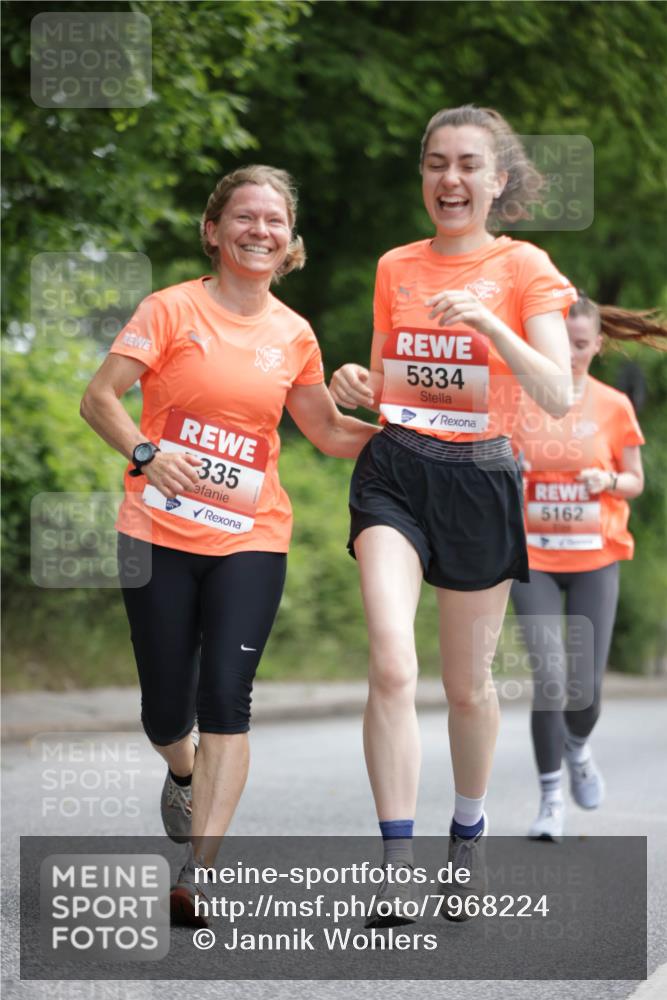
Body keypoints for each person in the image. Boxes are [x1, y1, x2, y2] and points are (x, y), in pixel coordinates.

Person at [81, 164, 377, 926]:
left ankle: (198, 874)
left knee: (226, 700)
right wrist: (147, 453)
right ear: (213, 230)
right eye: (244, 217)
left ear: (290, 241)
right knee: (163, 710)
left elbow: (323, 431)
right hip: (157, 529)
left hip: (252, 535)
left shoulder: (294, 333)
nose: (259, 231)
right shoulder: (170, 309)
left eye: (274, 221)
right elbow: (100, 398)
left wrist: (409, 434)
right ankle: (180, 773)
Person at [330, 104, 577, 925]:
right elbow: (384, 384)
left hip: (480, 478)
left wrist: (490, 325)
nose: (450, 179)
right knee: (392, 664)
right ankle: (396, 866)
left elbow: (557, 390)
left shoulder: (524, 266)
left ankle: (465, 831)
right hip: (395, 472)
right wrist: (353, 389)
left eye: (468, 165)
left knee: (467, 688)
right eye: (437, 163)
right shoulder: (395, 264)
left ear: (496, 181)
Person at [510, 293, 667, 841]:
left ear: (597, 346)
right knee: (550, 681)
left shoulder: (613, 405)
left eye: (580, 344)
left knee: (586, 692)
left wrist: (608, 483)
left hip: (596, 556)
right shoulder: (520, 399)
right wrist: (511, 467)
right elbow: (489, 469)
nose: (570, 353)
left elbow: (636, 480)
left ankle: (578, 748)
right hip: (533, 558)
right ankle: (552, 798)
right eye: (562, 343)